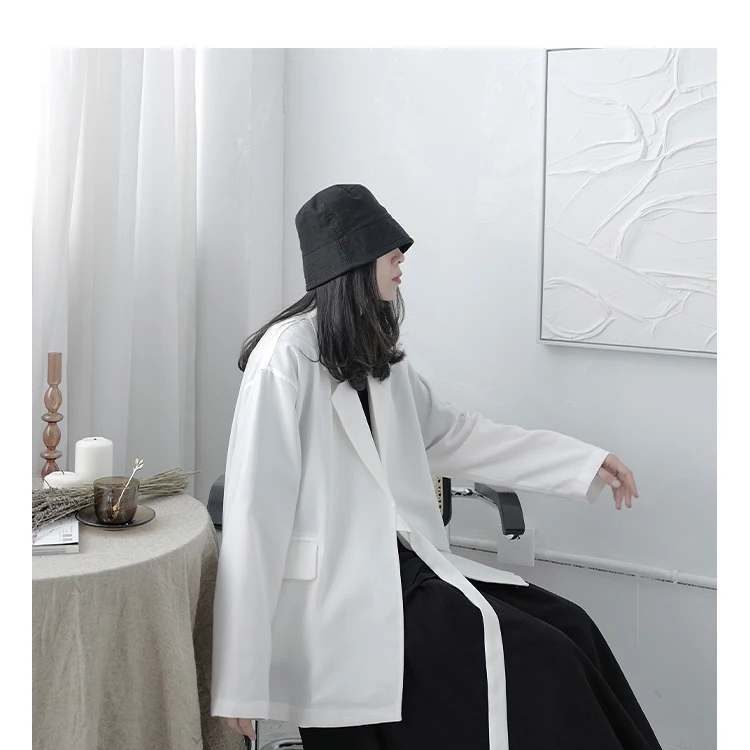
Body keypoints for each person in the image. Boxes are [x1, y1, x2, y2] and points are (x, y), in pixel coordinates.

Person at [211, 184, 662, 750]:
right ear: (353, 262)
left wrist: (585, 463)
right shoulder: (284, 359)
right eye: (389, 251)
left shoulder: (377, 356)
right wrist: (240, 681)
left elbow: (457, 434)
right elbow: (255, 516)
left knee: (574, 628)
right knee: (547, 660)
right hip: (341, 598)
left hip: (408, 571)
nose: (401, 260)